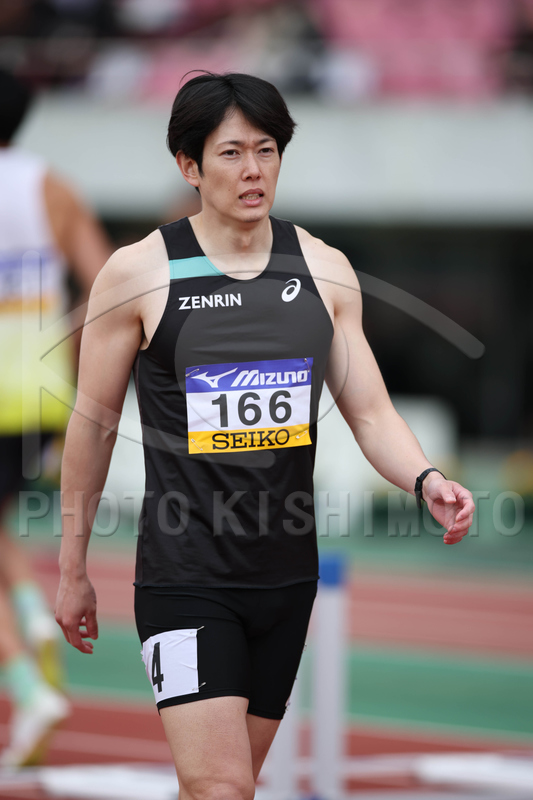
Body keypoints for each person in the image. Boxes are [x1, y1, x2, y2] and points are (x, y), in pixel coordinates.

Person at [55, 72, 475, 799]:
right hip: (185, 575)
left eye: (266, 150)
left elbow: (370, 413)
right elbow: (92, 427)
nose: (253, 170)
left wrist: (425, 478)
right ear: (188, 165)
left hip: (285, 577)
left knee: (227, 788)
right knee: (220, 786)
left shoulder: (323, 269)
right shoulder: (138, 273)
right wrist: (72, 568)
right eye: (230, 153)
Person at [0, 69, 112, 768]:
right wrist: (68, 349)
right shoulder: (51, 187)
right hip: (37, 388)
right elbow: (105, 282)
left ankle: (24, 683)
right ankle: (33, 616)